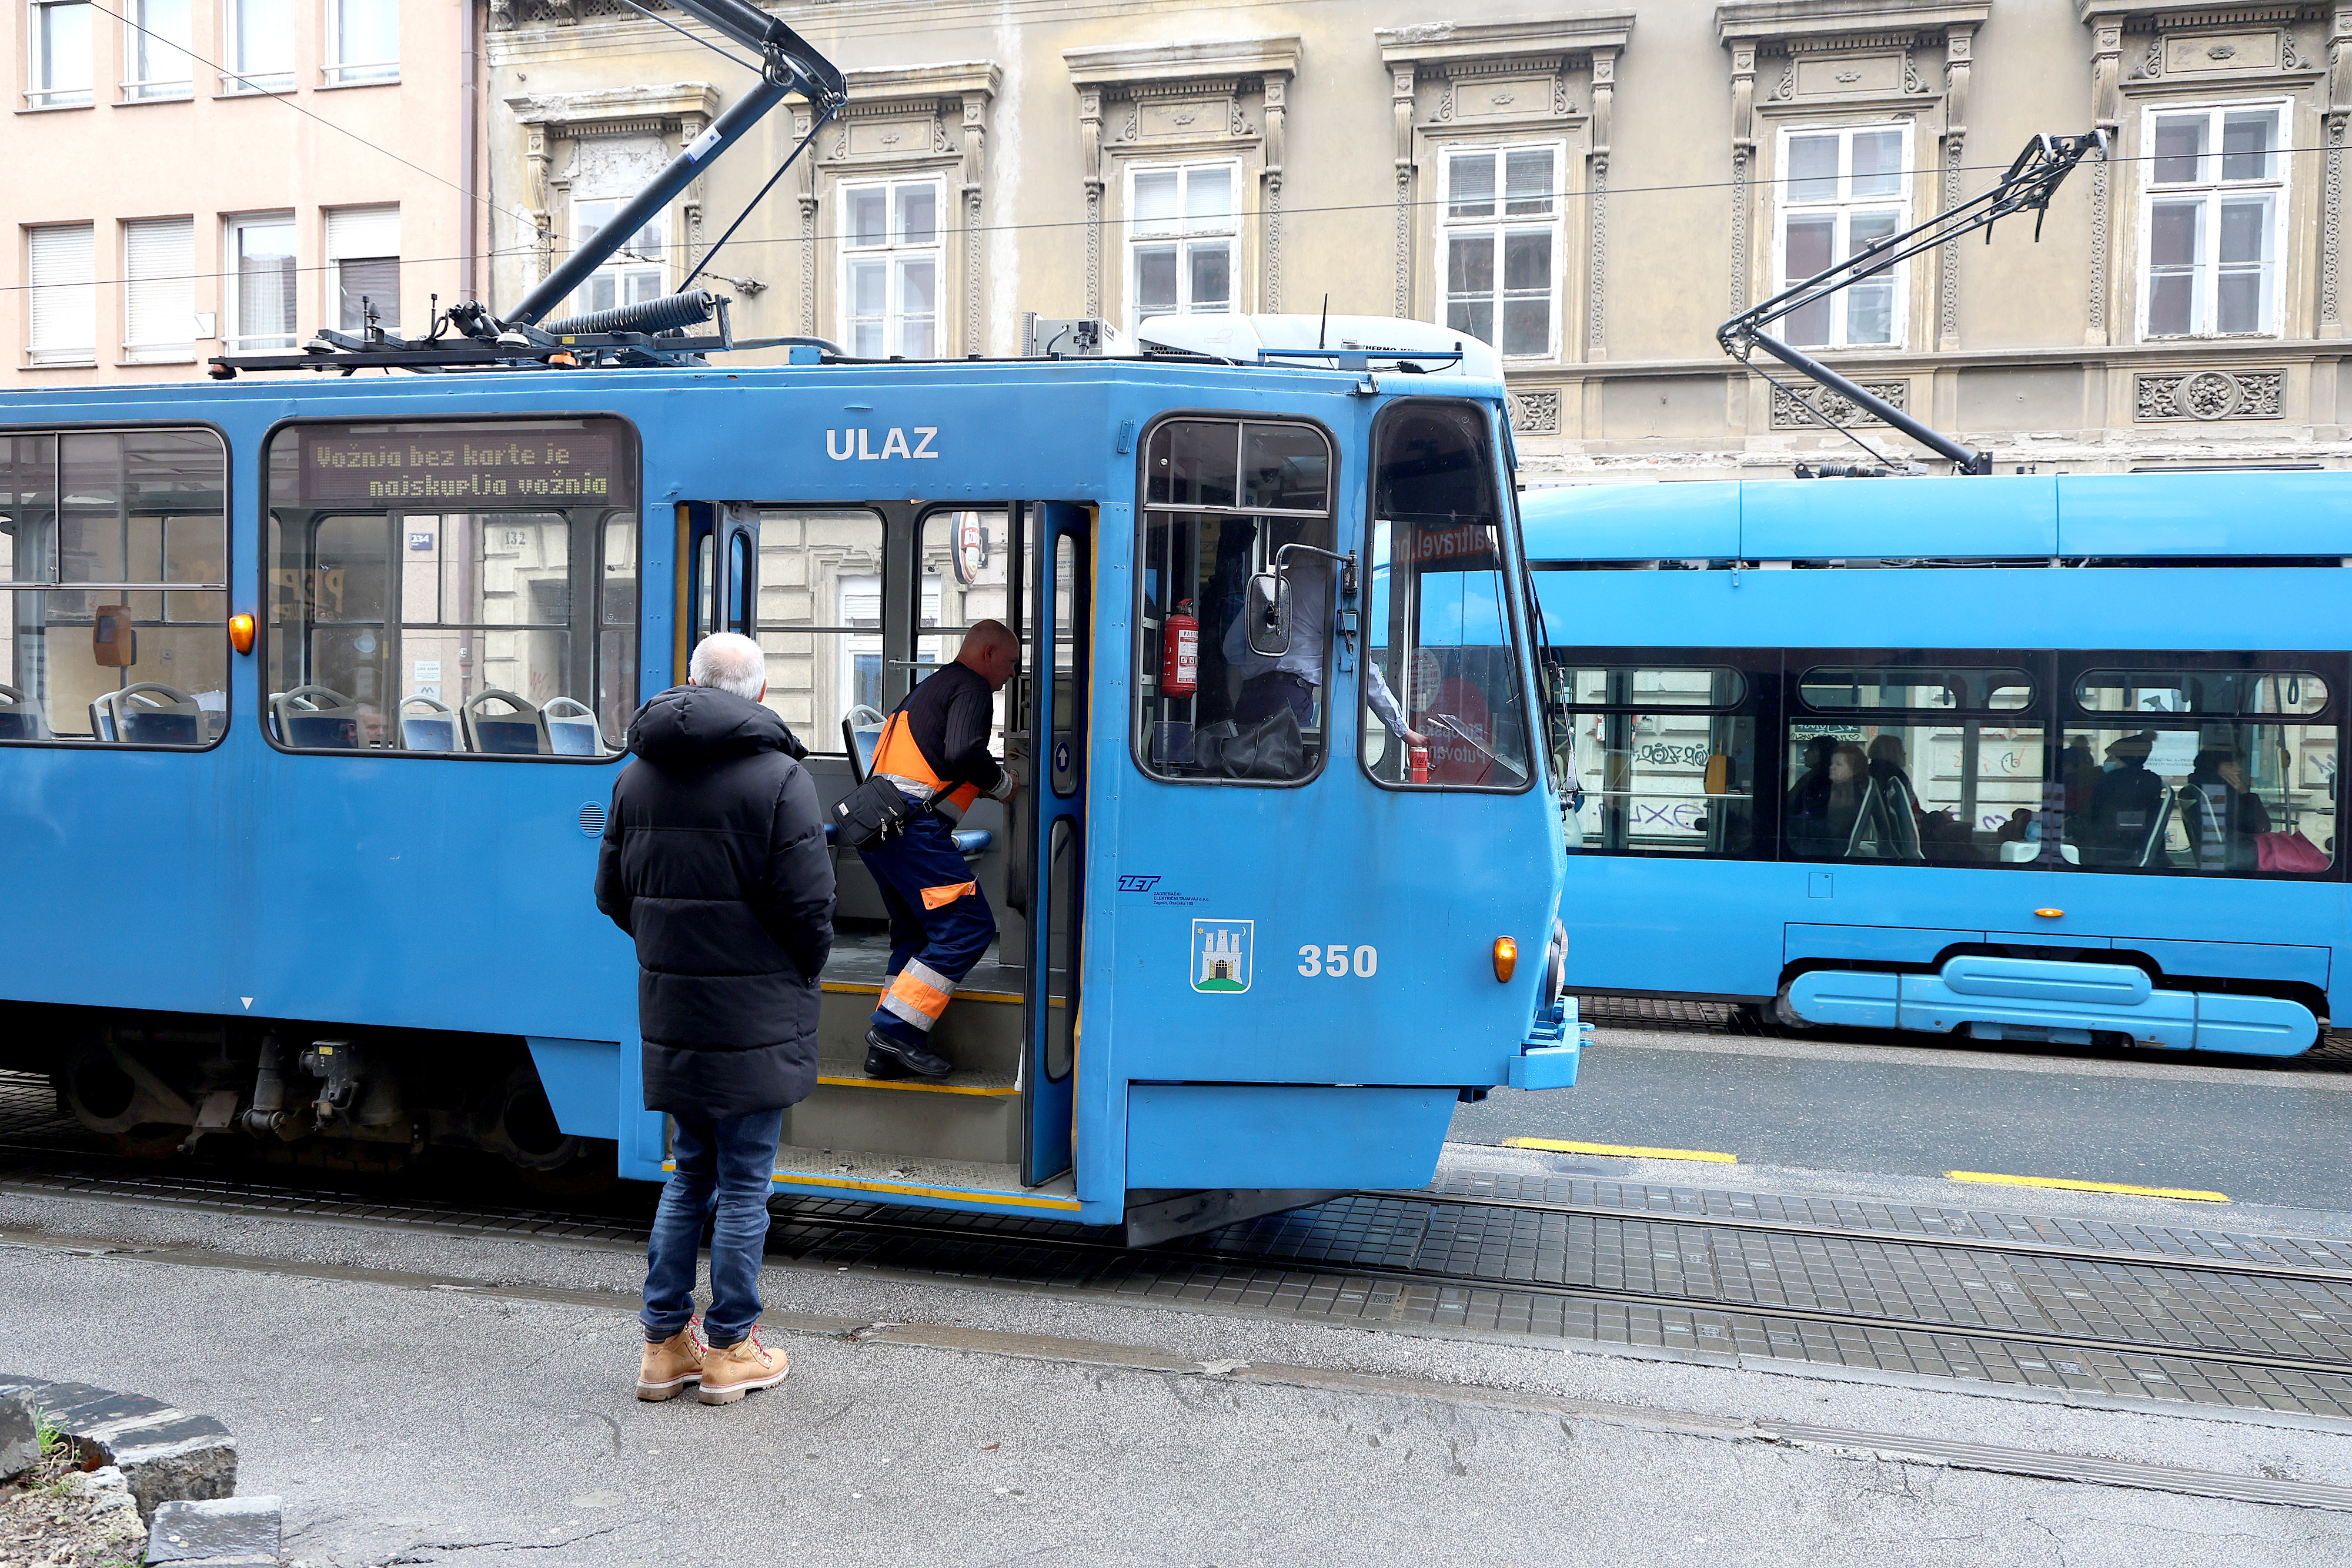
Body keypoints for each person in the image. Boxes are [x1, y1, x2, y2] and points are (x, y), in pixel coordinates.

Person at [595, 631, 833, 1406]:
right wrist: (799, 968)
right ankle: (732, 1347)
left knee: (690, 1170)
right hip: (757, 1011)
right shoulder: (781, 779)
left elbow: (613, 894)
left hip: (677, 1007)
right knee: (743, 1185)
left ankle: (664, 1345)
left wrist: (676, 949)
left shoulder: (636, 777)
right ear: (759, 694)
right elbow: (809, 909)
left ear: (691, 685)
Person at [857, 621, 1020, 1080]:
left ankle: (885, 1054)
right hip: (910, 827)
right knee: (968, 926)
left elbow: (936, 758)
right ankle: (893, 1029)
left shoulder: (931, 685)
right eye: (1010, 663)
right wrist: (1004, 785)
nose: (1012, 673)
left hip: (879, 825)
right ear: (988, 653)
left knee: (913, 932)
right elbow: (966, 751)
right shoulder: (972, 687)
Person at [1218, 538, 1424, 755]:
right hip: (1289, 700)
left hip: (1250, 696)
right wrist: (1403, 730)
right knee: (1287, 774)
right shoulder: (1331, 593)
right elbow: (1361, 665)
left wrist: (1263, 663)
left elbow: (1231, 648)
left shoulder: (1271, 585)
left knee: (1246, 770)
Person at [2082, 731, 2169, 868]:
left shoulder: (2115, 782)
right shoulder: (2150, 780)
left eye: (2113, 757)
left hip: (2115, 851)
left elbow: (2099, 818)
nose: (2108, 761)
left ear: (2128, 759)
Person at [2182, 745, 2271, 871]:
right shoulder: (2217, 793)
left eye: (2238, 764)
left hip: (2229, 851)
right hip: (2240, 855)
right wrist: (2244, 793)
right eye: (2230, 765)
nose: (2239, 769)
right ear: (2212, 766)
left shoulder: (2199, 787)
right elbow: (2260, 827)